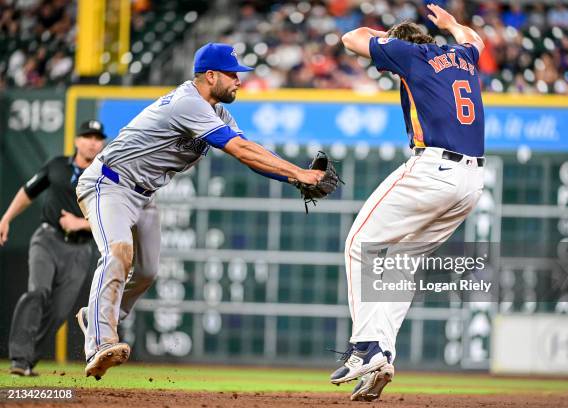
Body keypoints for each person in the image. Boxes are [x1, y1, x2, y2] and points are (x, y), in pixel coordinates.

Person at [75, 43, 327, 380]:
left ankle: (97, 316)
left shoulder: (217, 112)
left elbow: (251, 151)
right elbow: (239, 150)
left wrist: (293, 178)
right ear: (210, 75)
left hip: (144, 194)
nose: (239, 81)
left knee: (147, 271)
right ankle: (100, 342)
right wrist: (298, 172)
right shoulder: (188, 103)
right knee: (118, 253)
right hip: (109, 183)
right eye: (232, 74)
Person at [331, 4, 485, 401]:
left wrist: (384, 37)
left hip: (434, 169)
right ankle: (382, 355)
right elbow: (475, 40)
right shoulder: (464, 57)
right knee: (400, 259)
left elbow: (351, 39)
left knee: (358, 245)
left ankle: (365, 346)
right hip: (472, 182)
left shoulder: (410, 54)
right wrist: (452, 25)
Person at [0, 120, 106, 376]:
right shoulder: (57, 165)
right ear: (77, 141)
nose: (93, 141)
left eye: (97, 137)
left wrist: (80, 224)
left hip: (80, 251)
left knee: (59, 311)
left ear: (102, 143)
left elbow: (112, 216)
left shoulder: (106, 174)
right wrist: (5, 218)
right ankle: (19, 359)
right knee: (37, 292)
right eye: (87, 136)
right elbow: (28, 191)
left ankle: (28, 361)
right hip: (47, 239)